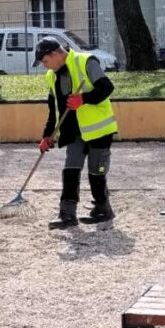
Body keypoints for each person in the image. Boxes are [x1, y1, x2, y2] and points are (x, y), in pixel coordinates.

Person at [35, 37, 118, 230]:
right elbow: (53, 109)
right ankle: (67, 215)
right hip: (73, 132)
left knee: (96, 173)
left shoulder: (86, 61)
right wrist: (47, 135)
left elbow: (107, 88)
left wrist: (83, 99)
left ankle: (102, 209)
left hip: (98, 130)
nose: (44, 66)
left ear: (55, 54)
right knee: (70, 171)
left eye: (45, 61)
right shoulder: (51, 76)